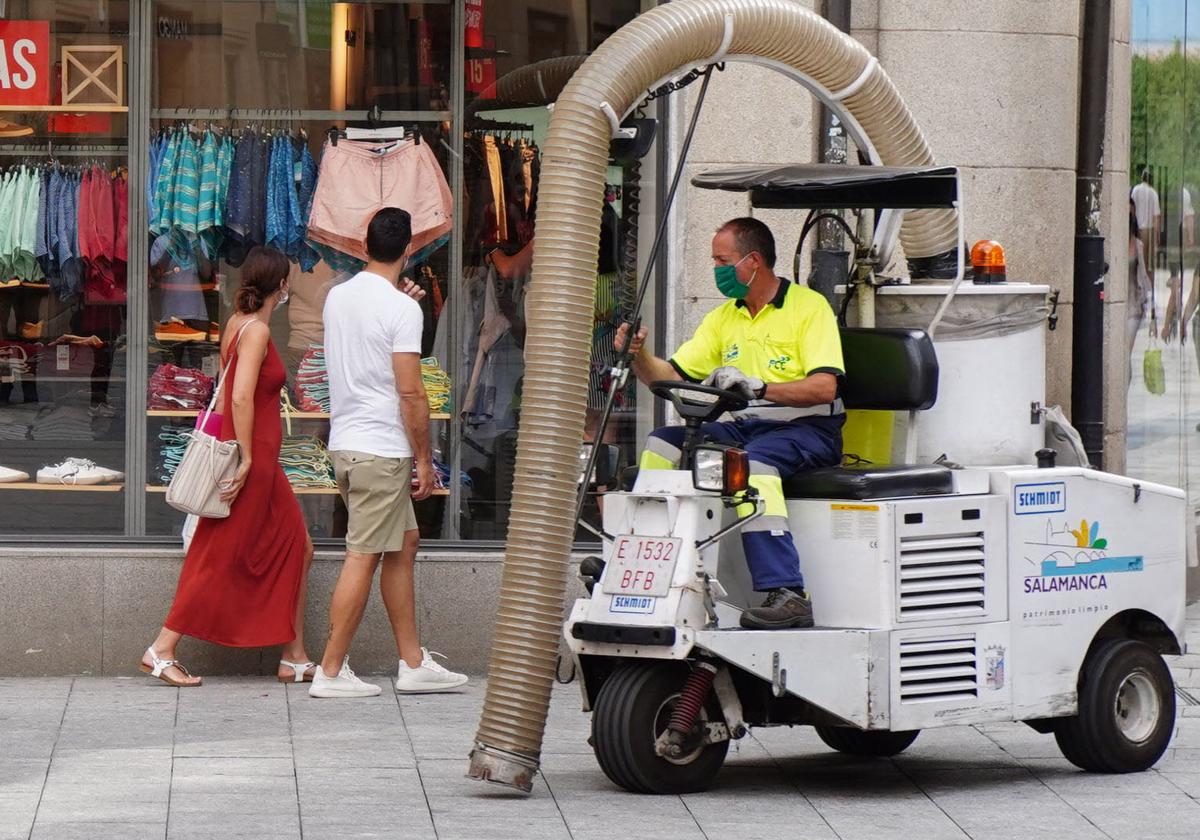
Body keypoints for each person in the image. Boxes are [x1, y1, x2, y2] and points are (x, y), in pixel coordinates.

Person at [615, 218, 844, 630]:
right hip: (746, 426)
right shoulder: (724, 317)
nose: (717, 269)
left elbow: (824, 388)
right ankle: (641, 566)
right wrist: (638, 355)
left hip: (806, 430)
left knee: (751, 467)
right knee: (663, 443)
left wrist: (759, 387)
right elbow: (672, 378)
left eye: (723, 260)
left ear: (753, 261)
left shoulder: (809, 307)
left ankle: (788, 592)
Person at [309, 207, 468, 698]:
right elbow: (411, 393)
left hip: (349, 443)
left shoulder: (339, 297)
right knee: (363, 555)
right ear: (408, 250)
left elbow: (367, 333)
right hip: (382, 449)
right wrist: (424, 460)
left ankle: (413, 662)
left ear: (363, 244)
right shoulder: (403, 309)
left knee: (404, 546)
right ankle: (330, 672)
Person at [141, 245, 315, 686]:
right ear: (281, 284)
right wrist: (247, 456)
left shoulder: (240, 324)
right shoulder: (255, 330)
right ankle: (162, 648)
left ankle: (294, 655)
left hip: (258, 459)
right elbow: (238, 396)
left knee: (297, 547)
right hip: (249, 459)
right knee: (217, 553)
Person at [1131, 168, 1161, 281]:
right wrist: (1157, 236)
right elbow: (1156, 216)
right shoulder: (1153, 193)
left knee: (1137, 260)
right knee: (1148, 262)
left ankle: (1138, 286)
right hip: (1148, 230)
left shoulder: (1135, 190)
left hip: (1136, 228)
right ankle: (1150, 288)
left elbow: (1132, 209)